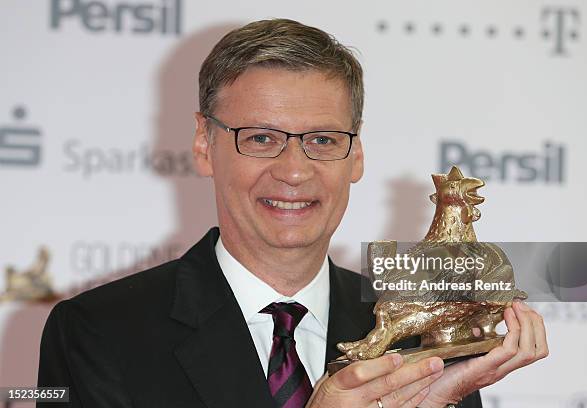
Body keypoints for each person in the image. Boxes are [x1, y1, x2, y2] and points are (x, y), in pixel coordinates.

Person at [37, 18, 548, 408]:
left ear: (357, 155)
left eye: (323, 140)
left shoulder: (421, 336)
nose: (294, 171)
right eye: (261, 138)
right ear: (202, 143)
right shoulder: (96, 332)